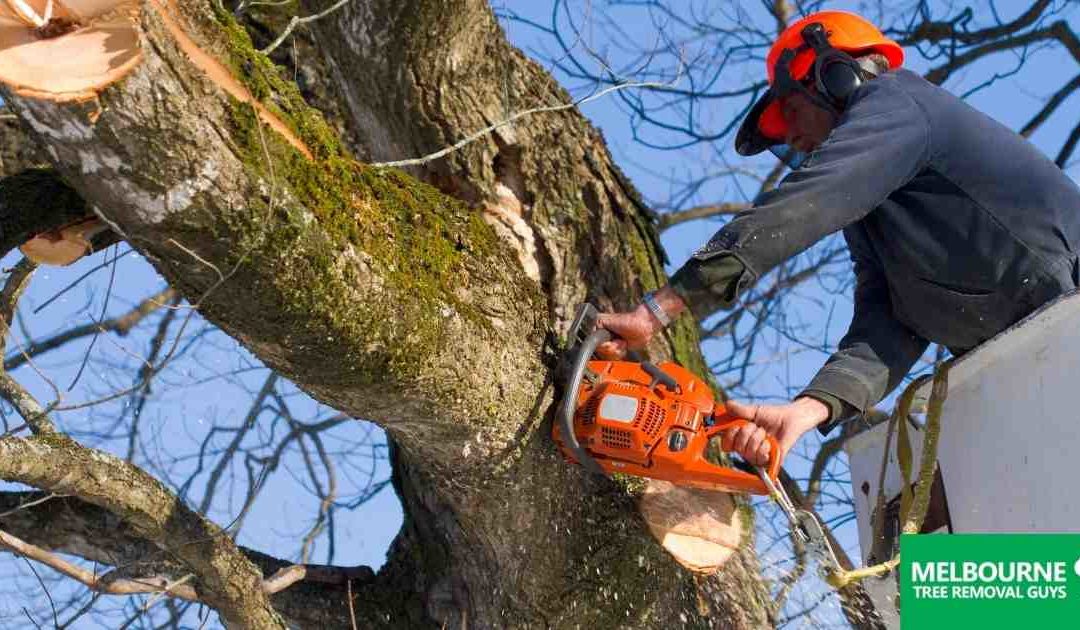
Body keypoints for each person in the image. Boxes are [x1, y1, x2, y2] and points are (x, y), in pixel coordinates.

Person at [598, 10, 1080, 468]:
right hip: (1034, 365)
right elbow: (889, 322)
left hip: (1065, 323)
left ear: (835, 77)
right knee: (1020, 545)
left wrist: (658, 308)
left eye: (791, 111)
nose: (793, 138)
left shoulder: (899, 104)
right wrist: (806, 411)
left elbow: (805, 204)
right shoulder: (877, 213)